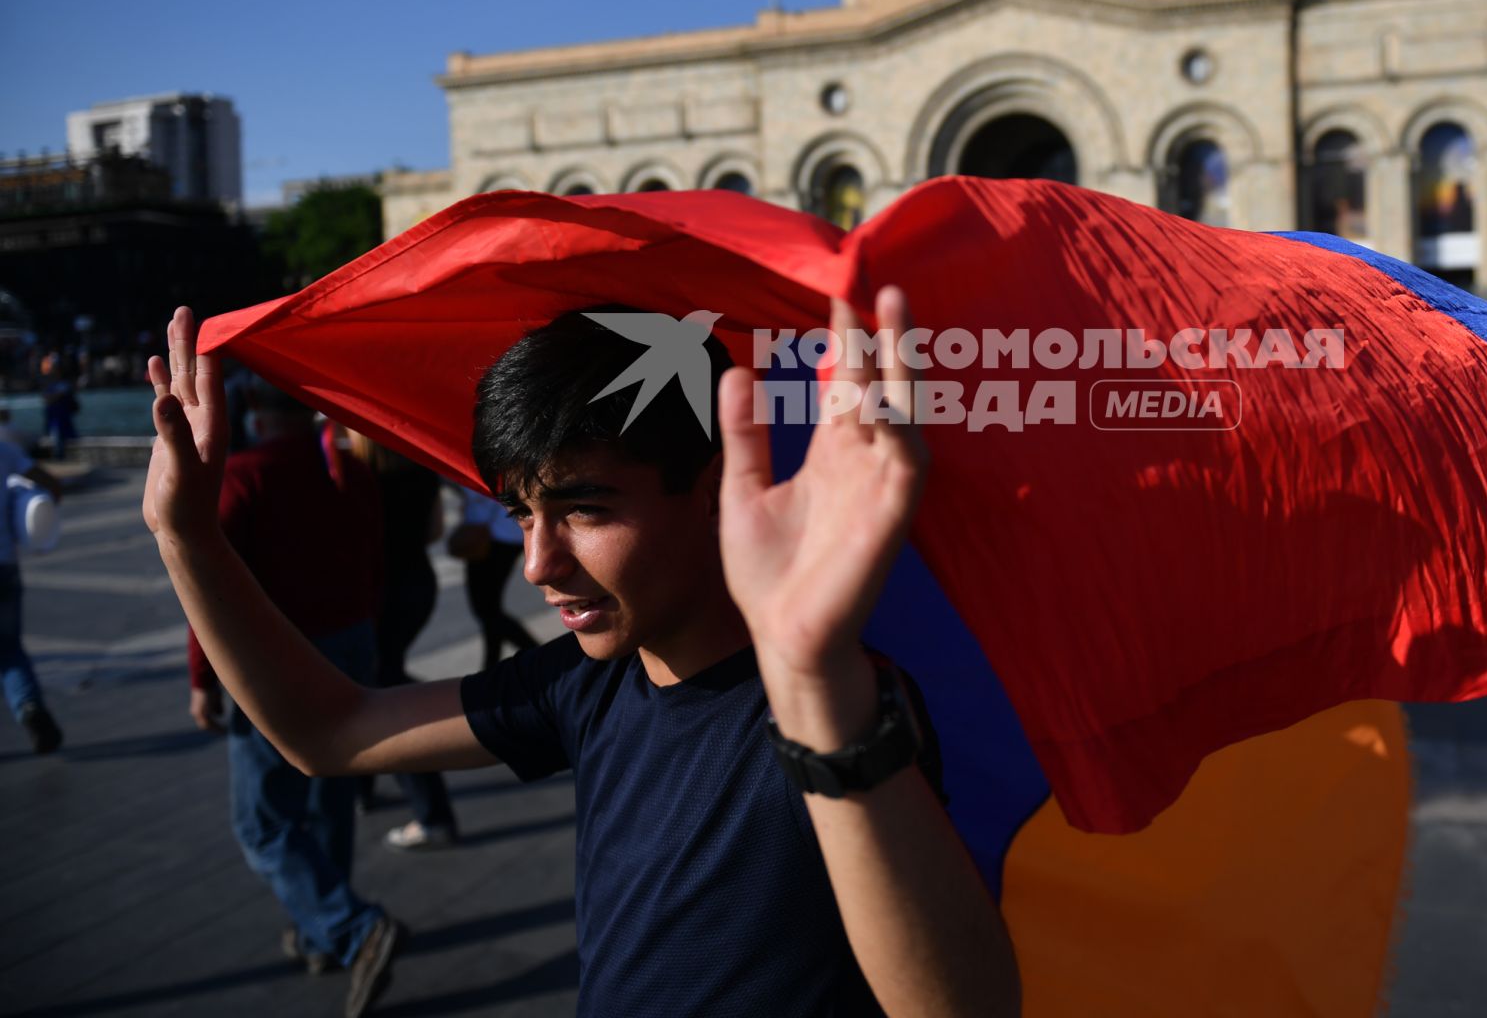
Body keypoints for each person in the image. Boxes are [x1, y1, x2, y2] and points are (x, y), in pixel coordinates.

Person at [143, 293, 1018, 1017]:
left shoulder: (841, 703)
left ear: (718, 491)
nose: (538, 562)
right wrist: (184, 535)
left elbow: (964, 1006)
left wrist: (817, 683)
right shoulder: (585, 683)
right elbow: (328, 732)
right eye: (524, 513)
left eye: (585, 510)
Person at [180, 377, 403, 1016]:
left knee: (264, 820)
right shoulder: (347, 472)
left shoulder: (243, 477)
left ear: (251, 410)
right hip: (352, 641)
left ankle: (354, 929)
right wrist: (373, 643)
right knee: (332, 793)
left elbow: (208, 590)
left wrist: (202, 677)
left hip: (275, 658)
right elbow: (374, 564)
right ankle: (320, 932)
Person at [336, 426, 461, 851]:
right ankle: (363, 788)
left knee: (381, 686)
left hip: (376, 592)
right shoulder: (419, 471)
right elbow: (433, 532)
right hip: (416, 585)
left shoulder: (354, 475)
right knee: (372, 681)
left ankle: (432, 813)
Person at [1, 435, 64, 753]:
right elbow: (51, 484)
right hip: (5, 565)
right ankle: (29, 707)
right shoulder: (5, 449)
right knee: (10, 649)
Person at [452, 487, 536, 667]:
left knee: (486, 609)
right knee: (490, 607)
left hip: (494, 536)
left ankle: (537, 654)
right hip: (501, 533)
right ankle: (491, 665)